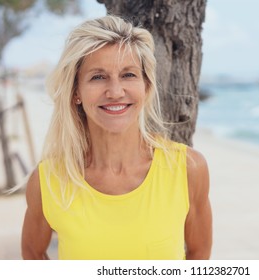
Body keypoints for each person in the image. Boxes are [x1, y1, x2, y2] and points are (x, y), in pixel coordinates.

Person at [21, 14, 212, 260]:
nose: (115, 91)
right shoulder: (48, 180)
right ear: (76, 92)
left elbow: (199, 253)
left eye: (128, 75)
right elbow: (32, 252)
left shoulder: (188, 169)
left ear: (146, 86)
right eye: (98, 77)